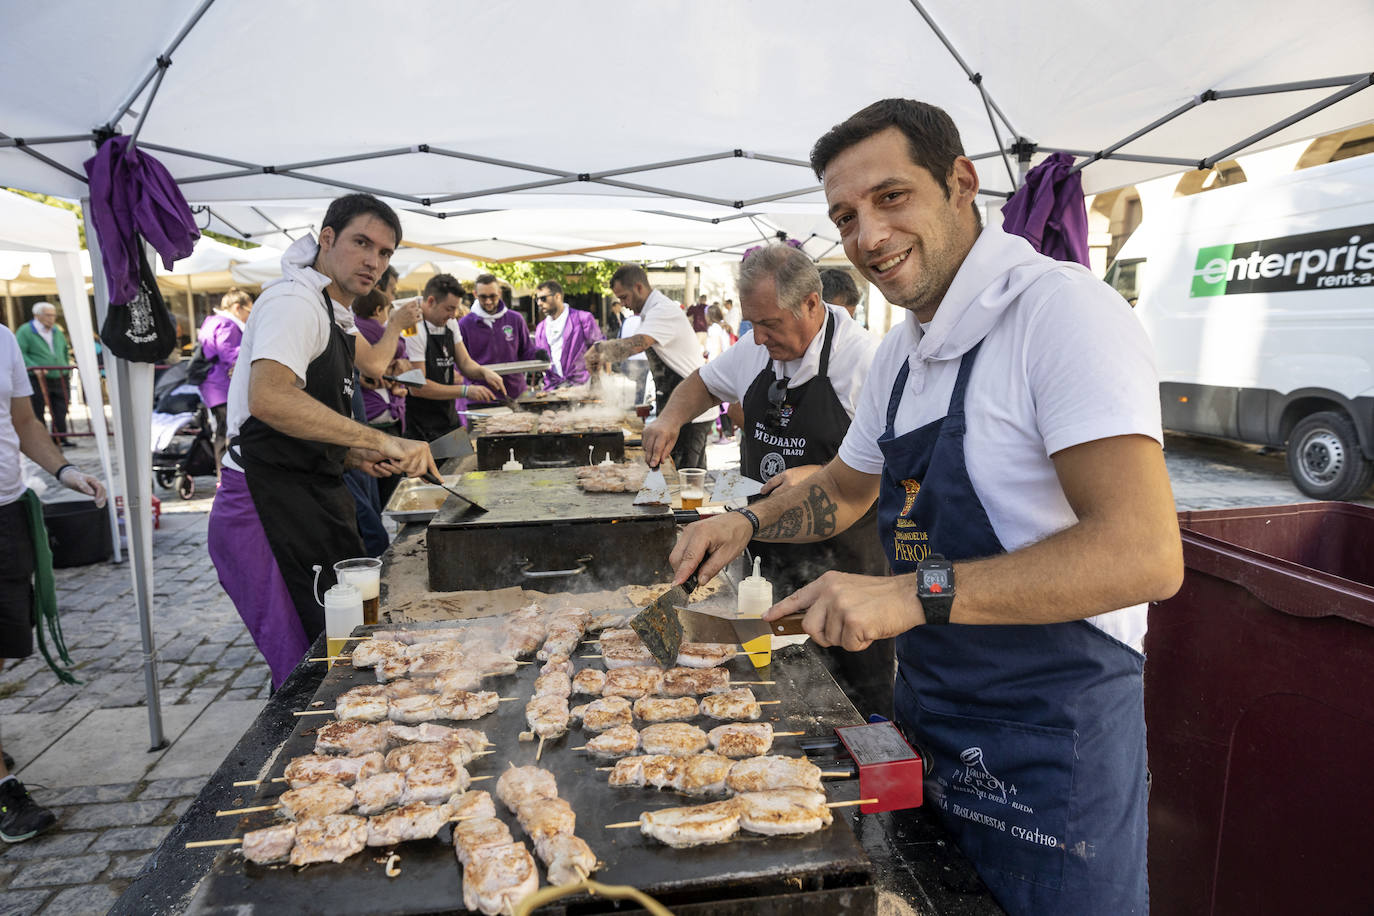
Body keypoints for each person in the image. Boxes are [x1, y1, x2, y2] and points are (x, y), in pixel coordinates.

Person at [668, 99, 1183, 916]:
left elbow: (1143, 555)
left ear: (960, 183)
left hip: (1049, 745)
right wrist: (748, 522)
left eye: (891, 197)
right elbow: (842, 490)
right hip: (929, 717)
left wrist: (907, 594)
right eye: (845, 215)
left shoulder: (1061, 313)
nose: (867, 235)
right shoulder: (906, 352)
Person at [645, 244, 890, 713]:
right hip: (763, 559)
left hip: (845, 567)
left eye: (770, 324)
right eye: (751, 323)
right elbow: (704, 382)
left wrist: (825, 473)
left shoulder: (865, 362)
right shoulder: (753, 349)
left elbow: (905, 464)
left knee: (856, 699)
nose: (757, 338)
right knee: (777, 691)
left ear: (812, 304)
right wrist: (671, 418)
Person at [207, 193, 439, 688]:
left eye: (385, 252)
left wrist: (354, 452)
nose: (373, 261)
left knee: (337, 647)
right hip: (263, 506)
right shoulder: (293, 302)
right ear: (327, 239)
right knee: (307, 665)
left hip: (305, 494)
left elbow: (308, 414)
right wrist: (385, 439)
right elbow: (269, 398)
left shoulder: (331, 310)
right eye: (362, 243)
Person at [0, 321, 106, 842]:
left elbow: (24, 422)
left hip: (6, 512)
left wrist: (66, 473)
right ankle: (4, 789)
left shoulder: (1, 339)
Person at [586, 265, 713, 469]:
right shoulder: (652, 311)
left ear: (639, 287)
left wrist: (599, 349)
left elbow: (638, 343)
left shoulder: (662, 309)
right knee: (680, 474)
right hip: (681, 403)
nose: (623, 304)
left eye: (624, 297)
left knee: (682, 477)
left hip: (692, 407)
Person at [404, 274, 503, 443]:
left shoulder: (450, 323)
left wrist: (484, 372)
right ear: (430, 301)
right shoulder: (411, 327)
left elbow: (464, 362)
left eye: (456, 309)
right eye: (449, 309)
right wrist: (465, 391)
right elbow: (418, 387)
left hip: (448, 417)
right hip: (420, 425)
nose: (453, 315)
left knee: (459, 466)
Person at [458, 274, 543, 402]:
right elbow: (460, 363)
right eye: (483, 297)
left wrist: (538, 354)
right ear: (475, 294)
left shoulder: (515, 319)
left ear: (499, 292)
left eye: (492, 296)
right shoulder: (465, 324)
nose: (488, 301)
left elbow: (526, 351)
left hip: (515, 393)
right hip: (481, 395)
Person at [197, 288, 254, 469]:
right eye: (248, 312)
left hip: (212, 387)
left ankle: (223, 474)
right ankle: (229, 474)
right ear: (237, 308)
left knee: (221, 432)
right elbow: (231, 355)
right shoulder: (227, 325)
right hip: (223, 388)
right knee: (231, 432)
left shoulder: (211, 322)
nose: (248, 317)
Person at [15, 303, 71, 447]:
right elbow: (21, 353)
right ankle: (42, 439)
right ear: (37, 315)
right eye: (48, 315)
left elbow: (64, 349)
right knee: (38, 408)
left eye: (53, 315)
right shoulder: (25, 331)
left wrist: (65, 365)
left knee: (61, 407)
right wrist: (34, 366)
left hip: (59, 375)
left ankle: (60, 436)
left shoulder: (56, 331)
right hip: (38, 376)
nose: (52, 318)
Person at [532, 280, 603, 389]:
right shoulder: (541, 328)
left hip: (581, 386)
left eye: (543, 298)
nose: (539, 303)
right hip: (553, 388)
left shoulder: (583, 319)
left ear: (558, 297)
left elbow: (600, 348)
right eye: (537, 299)